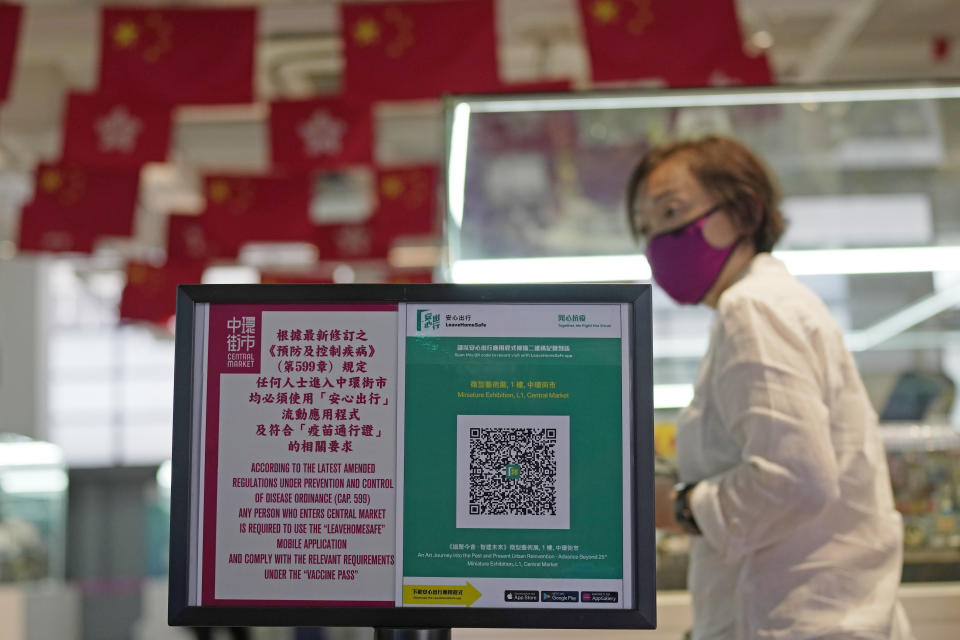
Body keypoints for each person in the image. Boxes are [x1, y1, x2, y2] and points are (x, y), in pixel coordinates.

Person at [627, 136, 913, 639]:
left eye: (671, 212)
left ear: (742, 211)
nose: (658, 241)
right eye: (645, 229)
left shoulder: (753, 309)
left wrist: (674, 507)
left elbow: (792, 479)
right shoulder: (764, 304)